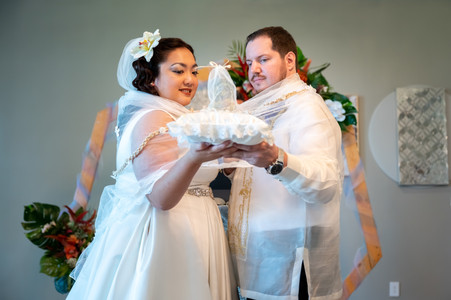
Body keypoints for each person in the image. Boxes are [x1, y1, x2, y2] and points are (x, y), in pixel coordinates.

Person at [67, 30, 238, 300]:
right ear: (152, 77)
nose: (190, 80)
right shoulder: (154, 117)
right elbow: (160, 197)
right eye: (178, 71)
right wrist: (197, 157)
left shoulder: (179, 116)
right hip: (164, 237)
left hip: (194, 228)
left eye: (194, 72)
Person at [225, 26, 344, 300]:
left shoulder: (307, 107)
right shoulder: (257, 109)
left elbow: (325, 184)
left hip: (288, 260)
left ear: (289, 61)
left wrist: (276, 159)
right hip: (254, 255)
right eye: (250, 62)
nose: (253, 69)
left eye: (263, 59)